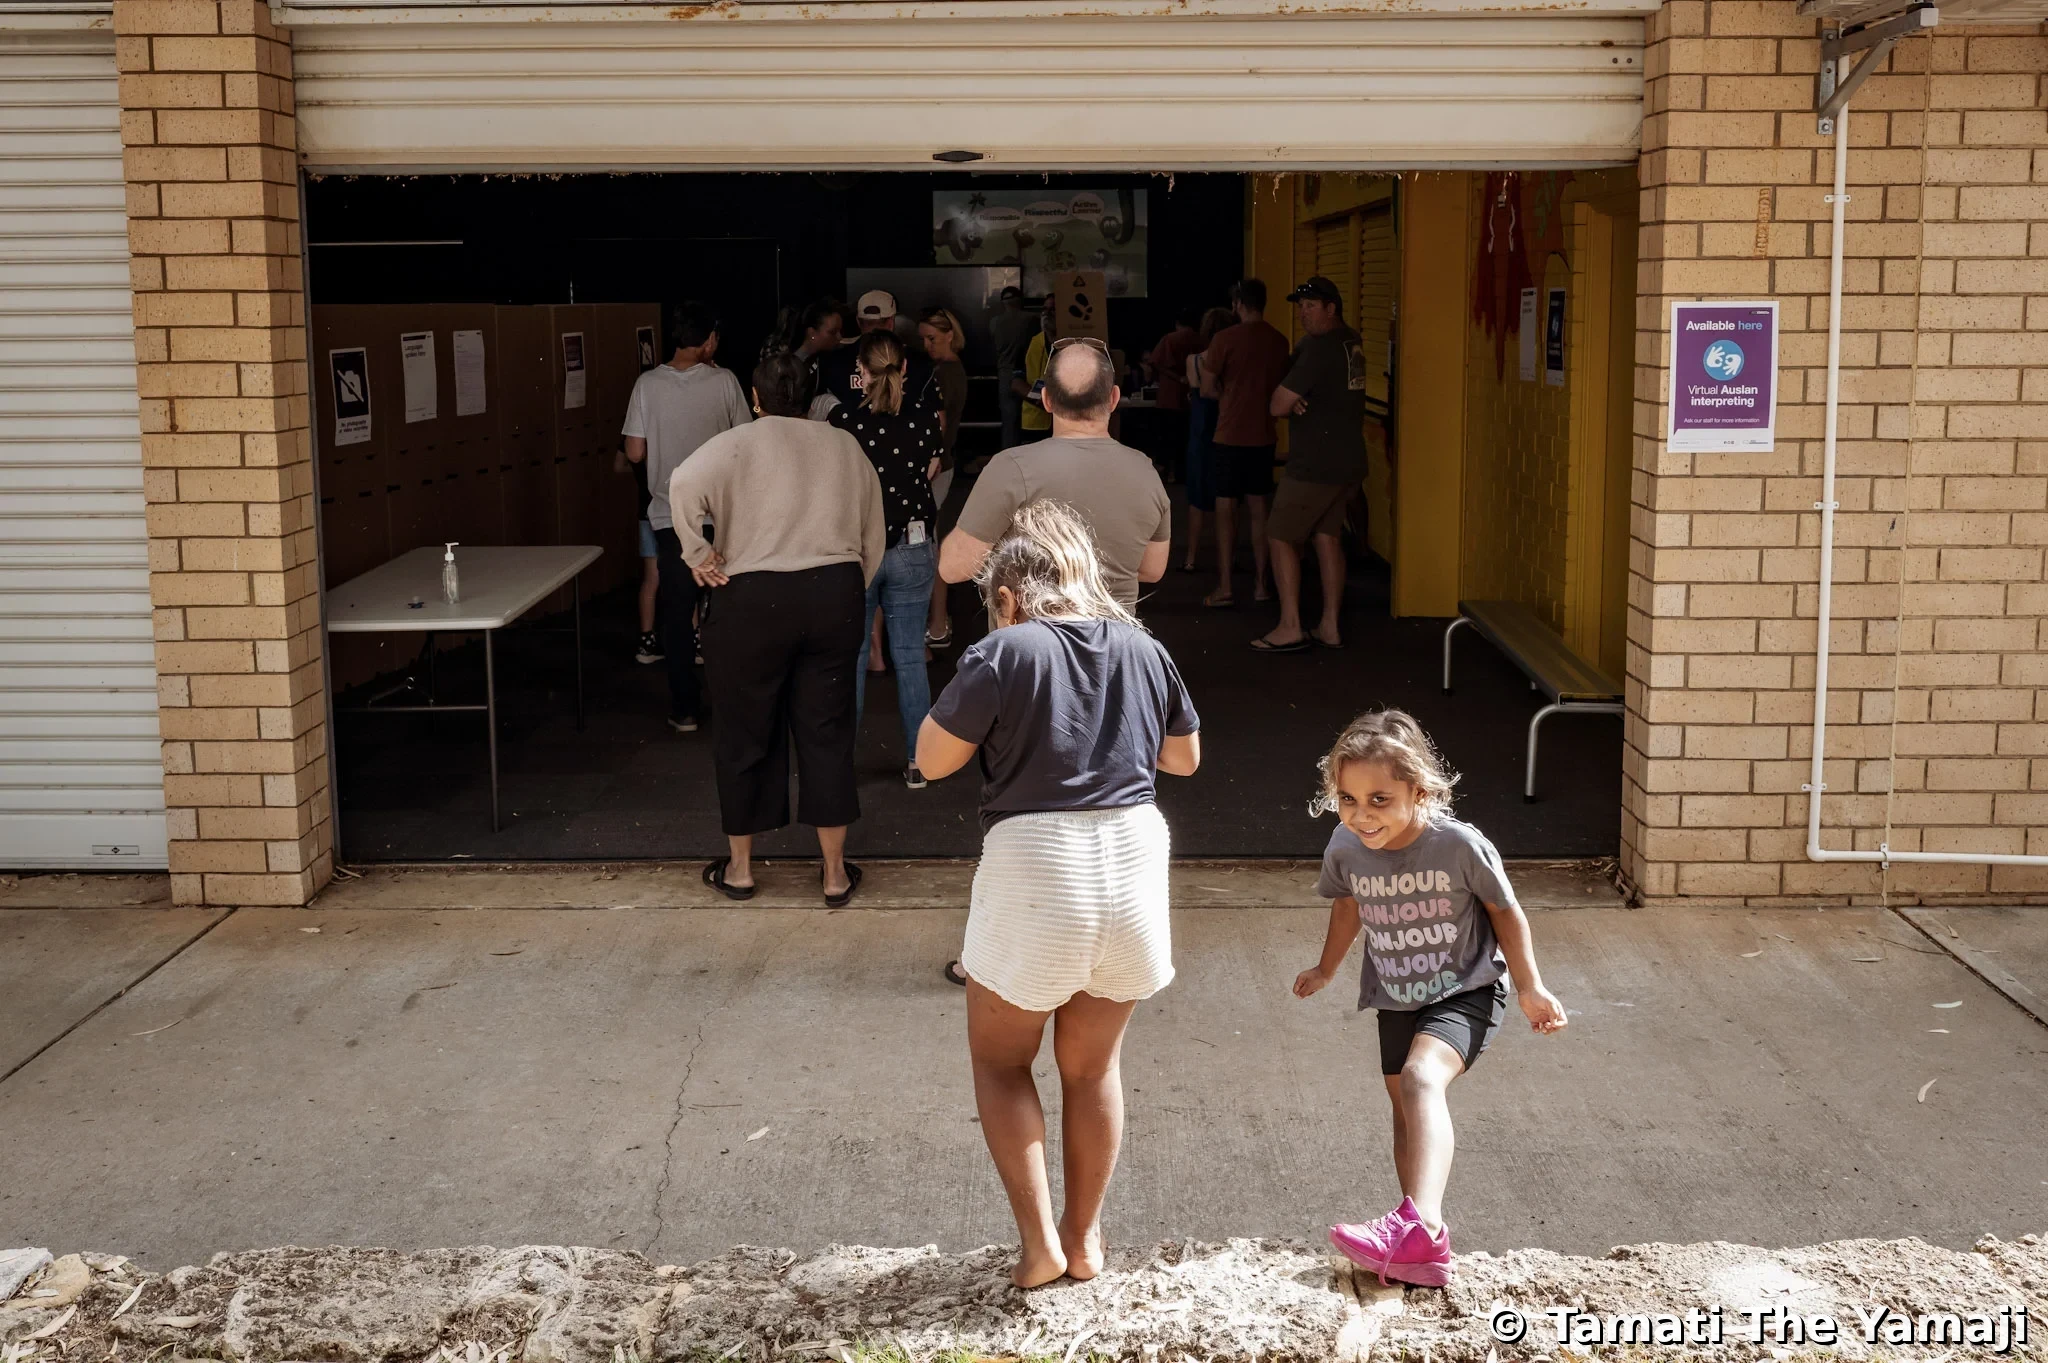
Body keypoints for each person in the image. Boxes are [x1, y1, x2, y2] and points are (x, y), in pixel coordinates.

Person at [915, 498, 1201, 1288]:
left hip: (1038, 863)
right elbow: (1184, 759)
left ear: (1006, 595)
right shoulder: (1144, 646)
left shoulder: (1002, 652)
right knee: (1093, 1066)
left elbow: (932, 758)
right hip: (1134, 858)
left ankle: (1039, 1245)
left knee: (1000, 1062)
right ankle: (1086, 1240)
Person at [1291, 709, 1567, 1286]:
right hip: (1395, 994)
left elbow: (1505, 912)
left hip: (1466, 989)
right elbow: (1347, 907)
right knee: (1405, 1113)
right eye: (1348, 799)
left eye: (1379, 800)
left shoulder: (1459, 845)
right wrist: (1325, 967)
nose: (1361, 816)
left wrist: (1531, 986)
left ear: (1420, 791)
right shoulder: (1346, 846)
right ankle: (1412, 1239)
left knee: (1421, 1081)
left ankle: (1423, 1230)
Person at [668, 351, 885, 907]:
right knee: (827, 730)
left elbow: (682, 483)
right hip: (833, 592)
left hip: (751, 599)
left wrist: (699, 554)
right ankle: (834, 875)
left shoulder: (735, 443)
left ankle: (740, 870)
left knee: (743, 731)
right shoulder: (843, 444)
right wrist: (852, 581)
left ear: (754, 397)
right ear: (811, 394)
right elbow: (872, 530)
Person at [942, 340, 1171, 613]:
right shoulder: (1145, 472)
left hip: (1030, 650)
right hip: (1113, 649)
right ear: (1113, 398)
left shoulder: (1010, 468)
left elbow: (953, 568)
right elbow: (1152, 569)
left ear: (1047, 399)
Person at [622, 300, 751, 733]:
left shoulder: (646, 385)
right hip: (721, 517)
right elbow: (746, 442)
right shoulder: (726, 382)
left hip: (669, 519)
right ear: (709, 339)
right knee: (725, 614)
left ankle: (685, 708)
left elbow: (635, 451)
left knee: (676, 615)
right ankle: (734, 706)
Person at [831, 331, 942, 789]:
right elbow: (931, 472)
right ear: (905, 370)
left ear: (861, 372)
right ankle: (920, 761)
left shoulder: (843, 421)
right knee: (911, 657)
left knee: (853, 658)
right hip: (913, 546)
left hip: (859, 548)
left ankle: (838, 767)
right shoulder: (924, 422)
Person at [1257, 276, 1370, 653]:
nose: (1302, 314)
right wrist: (1298, 394)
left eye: (1310, 306)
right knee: (1327, 537)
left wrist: (1291, 398)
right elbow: (1295, 385)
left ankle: (1290, 625)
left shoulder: (1320, 350)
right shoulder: (1349, 341)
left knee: (1280, 535)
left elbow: (1276, 405)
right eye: (1300, 306)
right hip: (1347, 461)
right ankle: (1330, 626)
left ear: (1331, 308)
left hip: (1315, 465)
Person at [1199, 278, 1290, 610]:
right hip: (1264, 435)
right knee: (1259, 510)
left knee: (1225, 510)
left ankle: (1225, 586)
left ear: (1237, 303)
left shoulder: (1224, 339)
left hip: (1228, 435)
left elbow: (1207, 388)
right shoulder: (1279, 341)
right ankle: (1262, 585)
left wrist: (1229, 396)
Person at [918, 306, 972, 648]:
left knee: (930, 542)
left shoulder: (945, 373)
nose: (926, 345)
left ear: (950, 334)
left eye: (932, 338)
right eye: (923, 339)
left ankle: (937, 622)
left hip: (936, 465)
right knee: (930, 539)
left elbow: (939, 427)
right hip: (942, 463)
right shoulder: (948, 370)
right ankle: (937, 623)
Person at [1179, 306, 1234, 575]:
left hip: (1200, 432)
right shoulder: (1234, 360)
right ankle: (1228, 555)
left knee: (1197, 499)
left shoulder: (1195, 361)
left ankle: (1191, 557)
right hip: (1227, 429)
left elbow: (1196, 391)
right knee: (1228, 497)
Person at [820, 289, 930, 413]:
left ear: (858, 321)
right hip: (906, 431)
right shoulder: (919, 361)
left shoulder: (833, 361)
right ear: (891, 321)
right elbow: (937, 415)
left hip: (847, 431)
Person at [1145, 307, 1202, 482]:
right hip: (1195, 397)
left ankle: (1165, 473)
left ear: (1177, 323)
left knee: (1166, 437)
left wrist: (1176, 377)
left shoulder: (1169, 339)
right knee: (1187, 437)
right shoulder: (1202, 340)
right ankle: (1183, 473)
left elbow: (1155, 363)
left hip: (1169, 396)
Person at [988, 286, 1035, 448]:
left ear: (1003, 302)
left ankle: (1008, 459)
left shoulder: (994, 322)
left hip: (1005, 376)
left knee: (1009, 423)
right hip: (1029, 376)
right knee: (1033, 421)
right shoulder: (1031, 319)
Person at [1012, 296, 1057, 445]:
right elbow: (1016, 382)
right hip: (1034, 425)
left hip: (1066, 424)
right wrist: (1040, 400)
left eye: (1053, 309)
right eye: (1044, 309)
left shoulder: (1075, 343)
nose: (1046, 314)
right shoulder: (1030, 342)